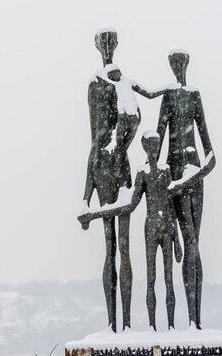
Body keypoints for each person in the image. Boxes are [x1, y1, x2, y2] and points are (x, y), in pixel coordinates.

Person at [79, 131, 215, 330]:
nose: (153, 150)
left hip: (166, 227)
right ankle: (152, 326)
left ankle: (170, 327)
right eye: (149, 146)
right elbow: (130, 205)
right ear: (145, 148)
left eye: (155, 145)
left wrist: (176, 238)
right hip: (151, 227)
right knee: (151, 277)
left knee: (168, 279)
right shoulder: (142, 173)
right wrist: (95, 214)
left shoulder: (165, 170)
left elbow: (169, 202)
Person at [133, 49, 215, 329]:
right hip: (174, 171)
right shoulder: (168, 97)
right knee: (186, 242)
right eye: (174, 64)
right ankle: (187, 321)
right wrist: (153, 177)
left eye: (181, 64)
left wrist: (193, 176)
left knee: (194, 245)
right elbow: (157, 136)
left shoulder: (194, 95)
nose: (178, 68)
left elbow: (211, 153)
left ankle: (195, 321)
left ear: (186, 65)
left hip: (192, 173)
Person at [82, 29, 141, 332]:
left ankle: (126, 324)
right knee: (111, 247)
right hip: (106, 165)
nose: (107, 47)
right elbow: (94, 138)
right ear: (98, 47)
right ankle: (113, 325)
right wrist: (85, 193)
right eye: (103, 43)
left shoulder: (122, 82)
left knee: (125, 247)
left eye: (110, 43)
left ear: (115, 45)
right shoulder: (96, 83)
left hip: (118, 163)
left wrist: (121, 142)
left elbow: (134, 116)